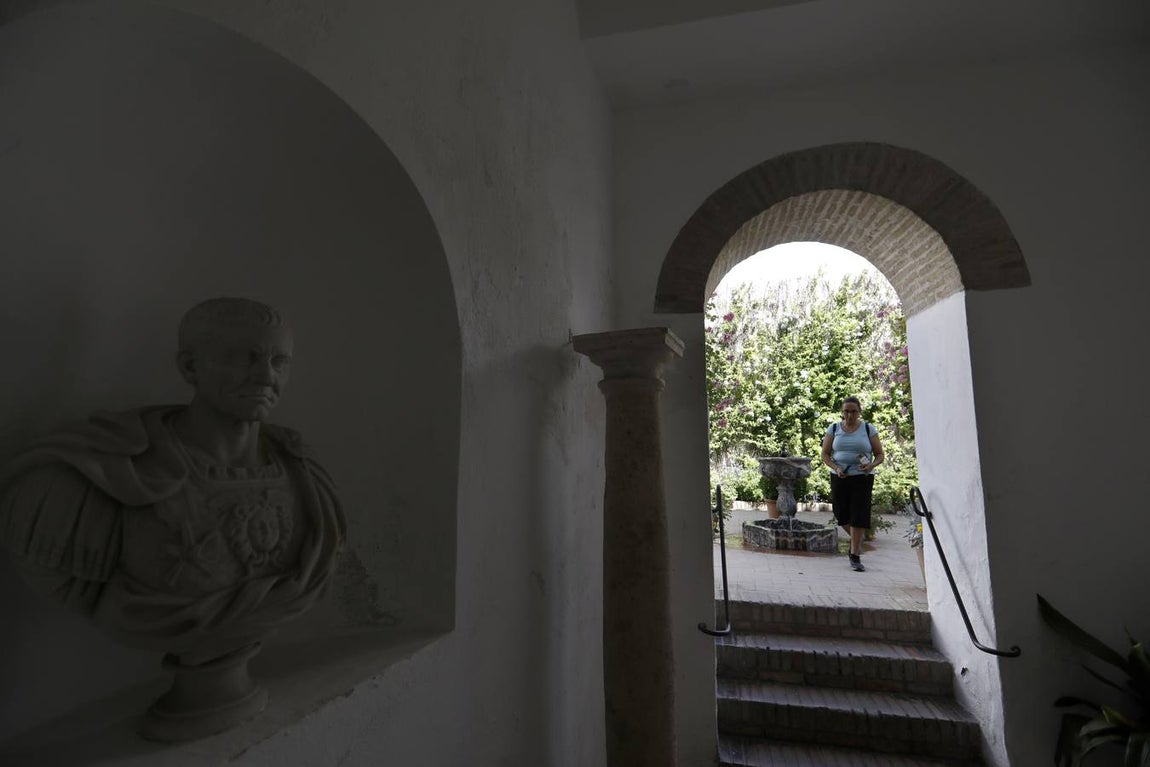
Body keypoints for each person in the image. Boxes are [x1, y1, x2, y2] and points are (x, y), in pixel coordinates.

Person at [0, 297, 346, 665]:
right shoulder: (87, 480)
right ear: (189, 366)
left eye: (279, 362)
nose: (266, 376)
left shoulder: (304, 472)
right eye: (243, 357)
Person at [821, 396, 884, 572]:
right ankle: (857, 539)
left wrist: (871, 465)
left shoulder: (867, 429)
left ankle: (855, 554)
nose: (850, 415)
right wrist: (836, 468)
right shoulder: (833, 428)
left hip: (862, 478)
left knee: (859, 514)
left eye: (853, 411)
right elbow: (825, 454)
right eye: (846, 411)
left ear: (859, 412)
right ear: (842, 412)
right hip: (840, 477)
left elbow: (879, 454)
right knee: (840, 514)